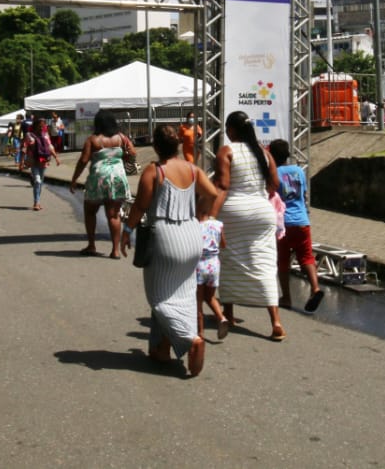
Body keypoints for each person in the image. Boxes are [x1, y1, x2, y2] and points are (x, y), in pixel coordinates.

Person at [121, 124, 219, 377]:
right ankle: (161, 349)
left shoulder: (155, 171)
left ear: (155, 146)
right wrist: (200, 214)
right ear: (176, 146)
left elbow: (141, 205)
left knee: (160, 298)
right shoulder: (193, 169)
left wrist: (127, 230)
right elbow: (212, 193)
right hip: (191, 236)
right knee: (183, 293)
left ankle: (191, 339)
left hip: (165, 238)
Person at [213, 110, 285, 341]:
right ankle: (275, 322)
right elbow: (274, 184)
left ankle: (229, 313)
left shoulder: (227, 151)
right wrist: (258, 196)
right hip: (263, 213)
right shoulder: (264, 153)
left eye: (226, 129)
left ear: (232, 130)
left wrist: (210, 217)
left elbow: (223, 186)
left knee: (230, 260)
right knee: (264, 263)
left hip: (234, 212)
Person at [68, 109, 136, 257]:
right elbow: (132, 153)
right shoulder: (121, 138)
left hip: (98, 179)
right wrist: (121, 158)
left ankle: (92, 245)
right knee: (114, 215)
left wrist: (74, 179)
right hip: (118, 178)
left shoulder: (93, 140)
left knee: (90, 211)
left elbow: (84, 160)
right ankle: (115, 250)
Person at [269, 139, 323, 313]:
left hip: (283, 224)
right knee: (306, 257)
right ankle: (315, 288)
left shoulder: (274, 173)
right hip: (302, 222)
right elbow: (304, 194)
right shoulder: (299, 171)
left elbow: (270, 196)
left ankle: (286, 297)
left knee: (282, 261)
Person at [196, 211, 227, 338]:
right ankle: (221, 318)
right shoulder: (218, 224)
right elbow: (223, 245)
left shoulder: (194, 225)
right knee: (210, 297)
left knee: (197, 301)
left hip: (199, 265)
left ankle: (200, 332)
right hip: (214, 265)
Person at [22, 115, 53, 210]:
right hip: (34, 162)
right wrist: (22, 161)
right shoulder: (29, 135)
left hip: (43, 162)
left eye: (42, 126)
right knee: (37, 181)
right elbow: (27, 145)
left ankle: (38, 202)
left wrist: (54, 157)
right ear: (35, 126)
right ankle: (36, 203)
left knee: (40, 183)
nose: (41, 128)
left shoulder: (45, 135)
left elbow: (50, 146)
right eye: (39, 126)